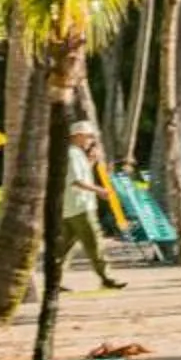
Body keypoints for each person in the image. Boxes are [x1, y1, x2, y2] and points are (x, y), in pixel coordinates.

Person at [59, 120, 129, 290]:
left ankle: (55, 281)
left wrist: (90, 161)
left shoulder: (75, 154)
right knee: (94, 243)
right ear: (78, 136)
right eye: (89, 136)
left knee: (64, 248)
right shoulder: (72, 154)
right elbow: (76, 181)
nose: (91, 139)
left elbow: (79, 176)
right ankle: (107, 278)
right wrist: (100, 190)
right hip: (80, 207)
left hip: (70, 208)